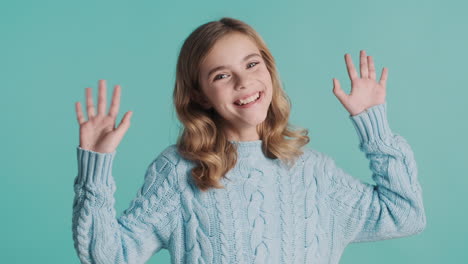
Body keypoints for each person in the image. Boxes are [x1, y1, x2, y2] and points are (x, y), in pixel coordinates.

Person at [72, 17, 426, 264]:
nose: (243, 82)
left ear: (269, 70)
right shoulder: (179, 172)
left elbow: (404, 215)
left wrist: (375, 129)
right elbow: (107, 256)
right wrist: (95, 168)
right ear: (200, 96)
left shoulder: (315, 173)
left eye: (252, 64)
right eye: (222, 75)